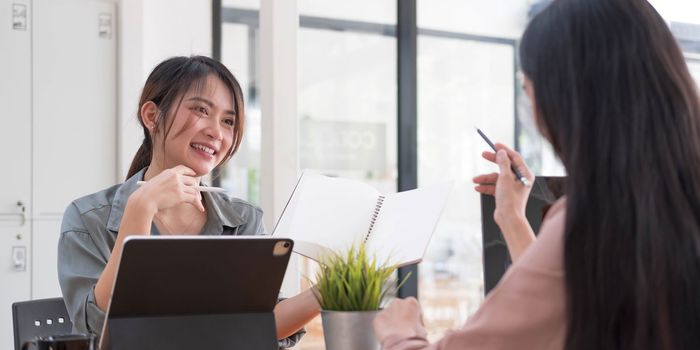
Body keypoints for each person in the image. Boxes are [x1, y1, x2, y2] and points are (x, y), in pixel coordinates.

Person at [373, 0, 700, 349]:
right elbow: (564, 293)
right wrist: (511, 217)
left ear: (567, 101)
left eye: (529, 92)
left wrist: (400, 332)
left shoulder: (592, 224)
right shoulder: (667, 206)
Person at [57, 56, 319, 348]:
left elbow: (260, 323)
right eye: (201, 110)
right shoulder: (87, 219)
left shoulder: (244, 219)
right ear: (152, 116)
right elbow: (98, 332)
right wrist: (140, 210)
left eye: (228, 121)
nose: (216, 132)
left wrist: (329, 290)